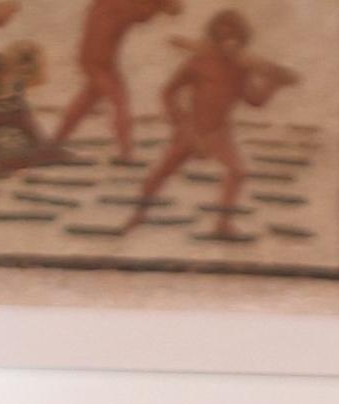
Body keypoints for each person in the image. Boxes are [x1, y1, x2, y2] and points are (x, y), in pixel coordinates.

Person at [125, 9, 298, 240]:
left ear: (241, 38)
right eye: (222, 33)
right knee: (161, 172)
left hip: (219, 132)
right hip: (192, 129)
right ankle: (138, 215)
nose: (228, 40)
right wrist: (180, 123)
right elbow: (168, 93)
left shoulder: (241, 68)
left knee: (237, 172)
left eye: (233, 35)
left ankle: (223, 225)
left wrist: (273, 83)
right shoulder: (198, 62)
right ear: (214, 35)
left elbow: (255, 101)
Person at [50, 0, 182, 155]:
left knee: (87, 101)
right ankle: (126, 150)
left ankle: (56, 141)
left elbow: (146, 14)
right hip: (97, 61)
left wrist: (162, 6)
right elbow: (142, 15)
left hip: (102, 61)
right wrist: (163, 5)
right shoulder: (121, 6)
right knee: (119, 100)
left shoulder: (116, 5)